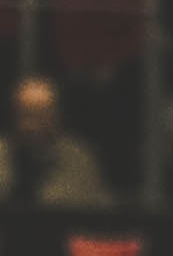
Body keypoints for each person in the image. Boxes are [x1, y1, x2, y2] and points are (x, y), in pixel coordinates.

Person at [0, 78, 115, 208]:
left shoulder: (79, 160)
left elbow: (100, 214)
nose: (30, 125)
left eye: (40, 115)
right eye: (25, 114)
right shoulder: (2, 154)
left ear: (57, 117)